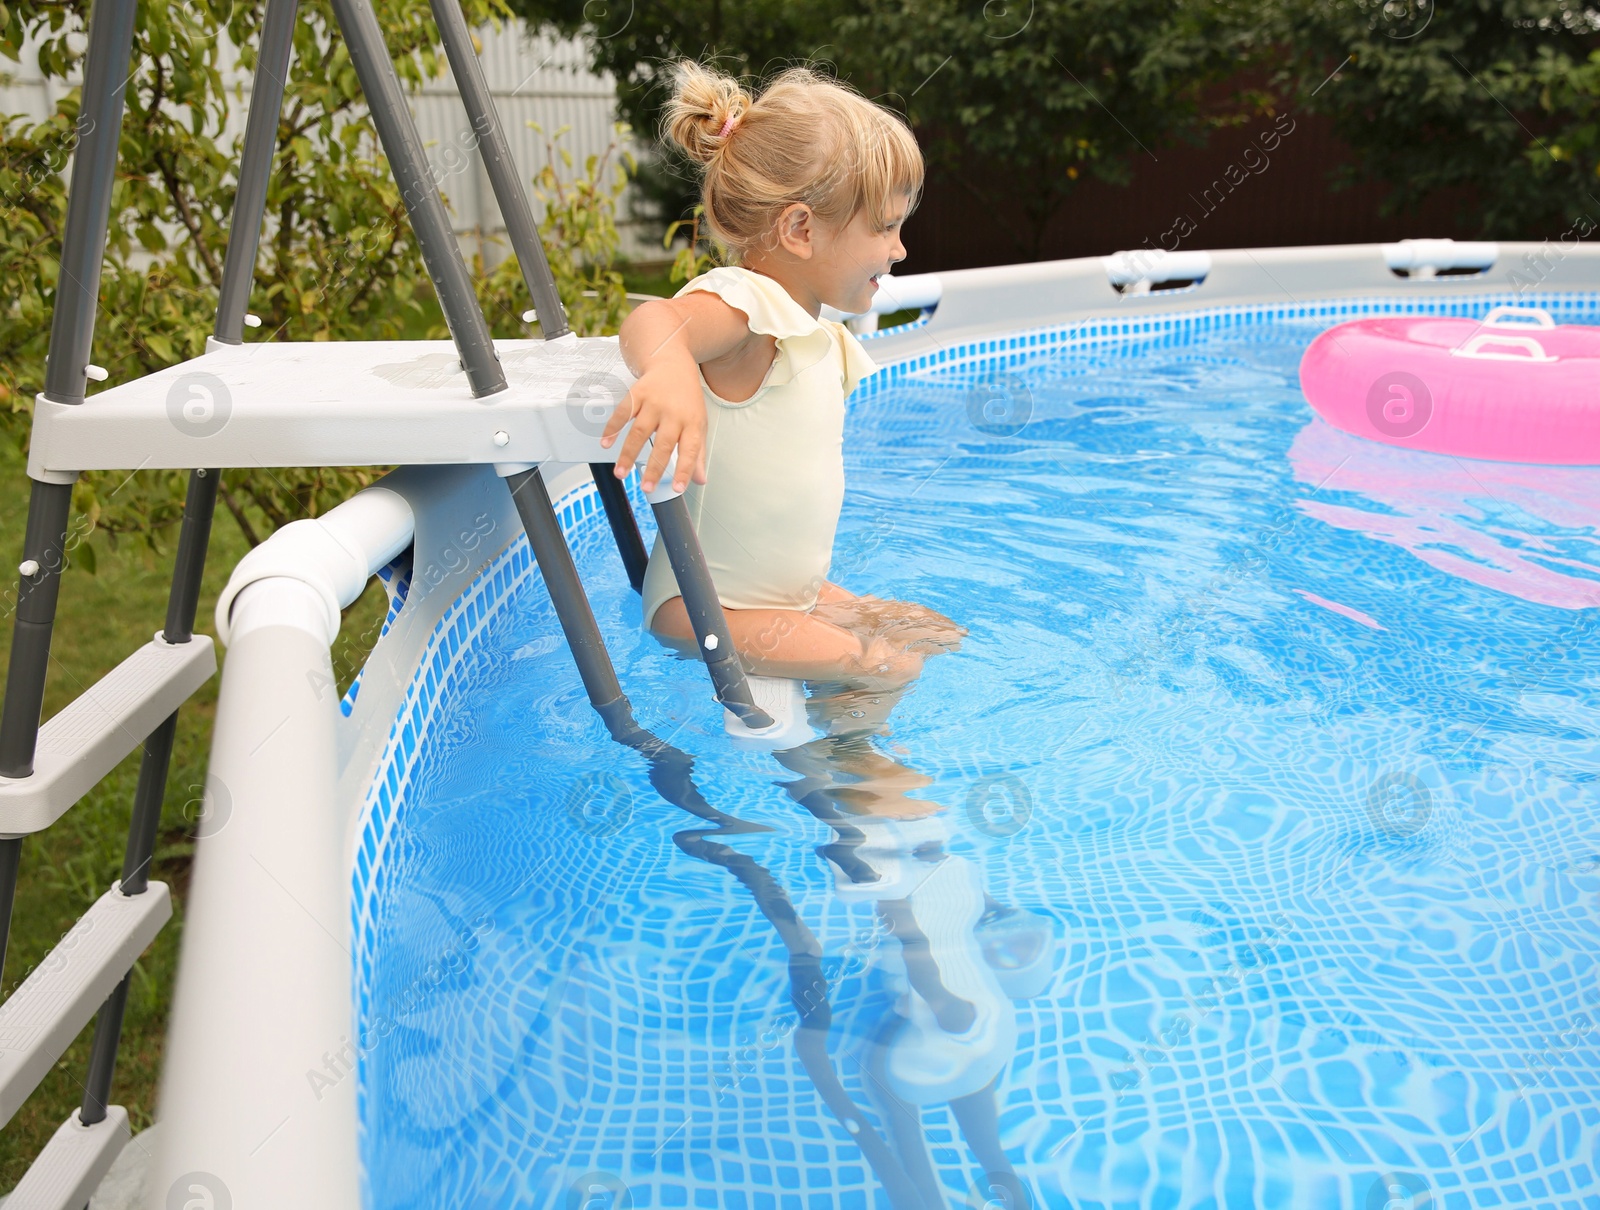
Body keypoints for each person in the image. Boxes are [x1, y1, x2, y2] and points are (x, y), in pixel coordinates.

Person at [606, 61, 964, 687]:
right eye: (885, 226)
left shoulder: (809, 329)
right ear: (800, 229)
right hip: (705, 608)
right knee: (878, 664)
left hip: (781, 593)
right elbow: (654, 320)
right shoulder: (747, 310)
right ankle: (857, 776)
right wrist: (667, 372)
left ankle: (842, 753)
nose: (900, 248)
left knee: (929, 632)